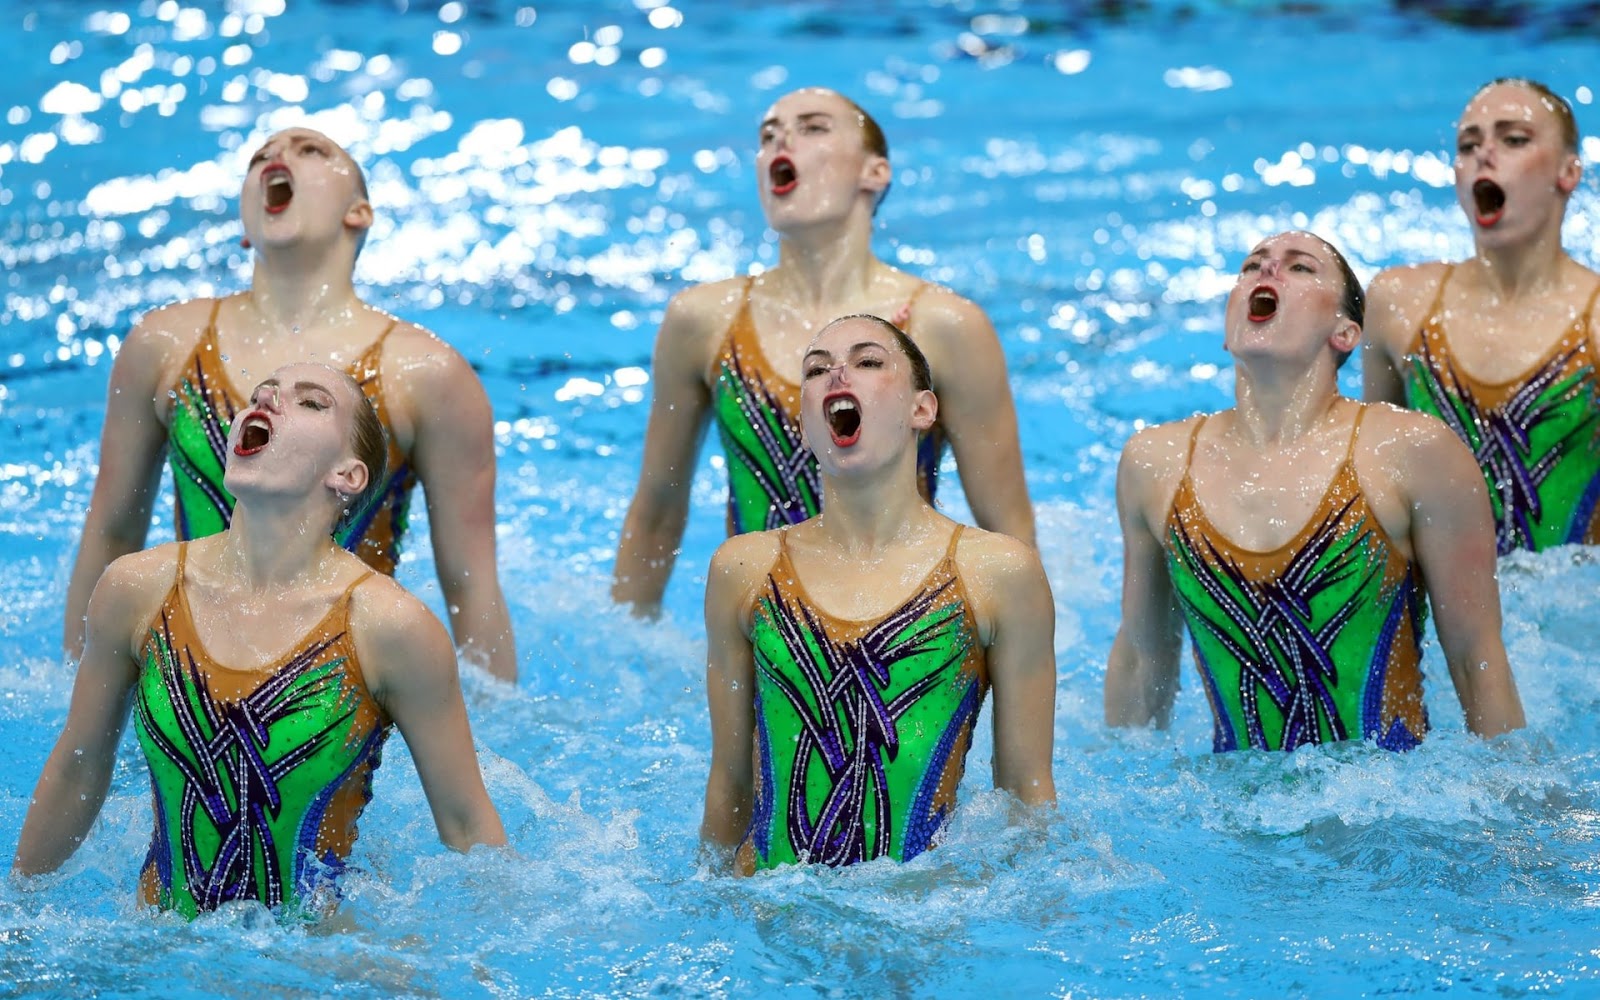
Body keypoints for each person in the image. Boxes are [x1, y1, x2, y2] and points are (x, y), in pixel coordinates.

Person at [15, 363, 507, 919]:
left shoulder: (389, 628)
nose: (268, 403)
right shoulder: (138, 590)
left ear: (348, 475)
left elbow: (467, 824)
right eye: (262, 394)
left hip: (314, 966)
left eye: (311, 403)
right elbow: (77, 767)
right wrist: (15, 914)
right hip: (153, 948)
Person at [62, 126, 516, 680]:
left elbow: (471, 583)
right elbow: (111, 531)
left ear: (359, 212)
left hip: (347, 686)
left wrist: (497, 728)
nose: (276, 156)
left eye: (312, 150)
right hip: (182, 674)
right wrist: (79, 683)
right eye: (260, 156)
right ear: (245, 229)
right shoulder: (163, 346)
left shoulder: (426, 374)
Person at [613, 87, 1035, 616]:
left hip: (910, 629)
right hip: (757, 633)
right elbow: (657, 510)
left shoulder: (945, 325)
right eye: (768, 135)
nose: (781, 140)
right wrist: (634, 638)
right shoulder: (702, 320)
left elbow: (1008, 527)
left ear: (874, 172)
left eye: (813, 127)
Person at [1106, 231, 1525, 752]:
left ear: (1346, 332)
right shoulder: (1155, 463)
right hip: (1231, 816)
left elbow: (1475, 656)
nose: (1267, 272)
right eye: (1252, 265)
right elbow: (1144, 657)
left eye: (1300, 267)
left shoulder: (1413, 451)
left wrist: (1525, 810)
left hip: (1394, 816)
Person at [701, 315, 1056, 873]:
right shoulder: (745, 569)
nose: (837, 373)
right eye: (816, 370)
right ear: (806, 422)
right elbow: (729, 782)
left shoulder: (996, 573)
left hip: (917, 919)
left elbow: (1026, 800)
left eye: (868, 361)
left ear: (923, 409)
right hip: (767, 915)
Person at [1364, 78, 1599, 555]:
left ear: (1568, 172)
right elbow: (1375, 489)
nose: (1484, 154)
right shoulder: (1398, 306)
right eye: (1468, 144)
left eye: (1514, 139)